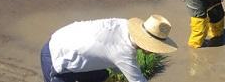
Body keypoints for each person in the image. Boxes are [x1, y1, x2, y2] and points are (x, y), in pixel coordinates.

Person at [41, 15, 178, 82]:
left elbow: (114, 58)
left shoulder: (123, 24)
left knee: (102, 76)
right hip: (56, 58)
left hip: (65, 38)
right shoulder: (123, 52)